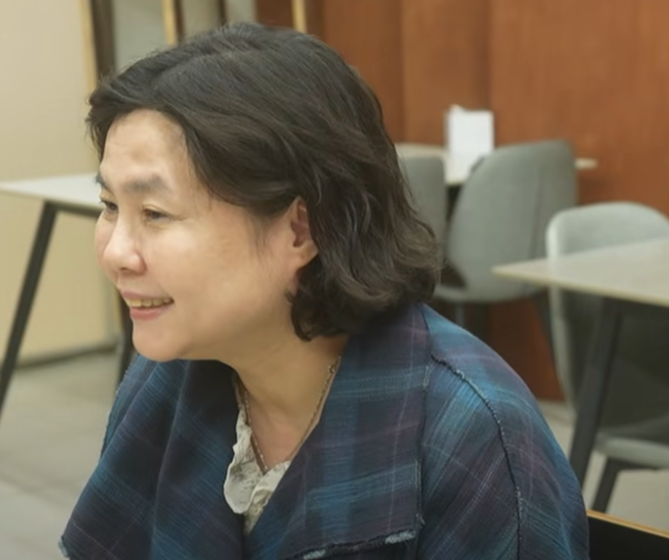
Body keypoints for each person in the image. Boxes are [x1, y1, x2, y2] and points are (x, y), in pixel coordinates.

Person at [61, 22, 588, 560]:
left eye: (154, 213)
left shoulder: (471, 438)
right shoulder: (170, 375)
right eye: (110, 207)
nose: (116, 253)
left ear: (301, 230)